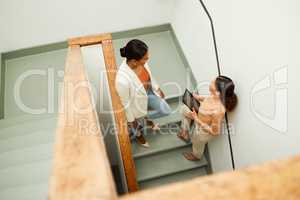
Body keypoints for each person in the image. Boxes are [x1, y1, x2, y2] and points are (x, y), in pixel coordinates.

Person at [115, 39, 171, 147]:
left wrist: (157, 88)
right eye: (145, 58)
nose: (148, 59)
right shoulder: (122, 81)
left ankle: (146, 120)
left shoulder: (143, 62)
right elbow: (126, 105)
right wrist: (132, 121)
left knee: (166, 110)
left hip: (149, 92)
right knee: (136, 125)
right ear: (134, 61)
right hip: (136, 103)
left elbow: (150, 76)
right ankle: (139, 136)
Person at [177, 76, 238, 161]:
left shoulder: (218, 110)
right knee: (184, 109)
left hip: (203, 130)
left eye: (213, 83)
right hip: (199, 115)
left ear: (218, 92)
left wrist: (196, 119)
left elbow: (215, 132)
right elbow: (208, 99)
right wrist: (198, 98)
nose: (211, 82)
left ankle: (196, 155)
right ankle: (185, 132)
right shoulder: (215, 96)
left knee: (196, 141)